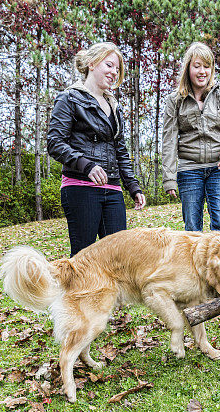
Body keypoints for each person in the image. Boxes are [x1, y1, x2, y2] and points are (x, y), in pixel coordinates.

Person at [47, 41, 146, 257]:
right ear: (92, 64)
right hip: (81, 187)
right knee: (84, 260)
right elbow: (55, 143)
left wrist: (133, 187)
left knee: (119, 259)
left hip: (112, 190)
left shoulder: (114, 106)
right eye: (109, 65)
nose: (114, 72)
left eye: (117, 69)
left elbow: (120, 150)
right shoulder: (69, 98)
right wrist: (87, 165)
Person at [161, 42, 220, 234]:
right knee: (192, 230)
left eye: (206, 66)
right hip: (189, 170)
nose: (202, 71)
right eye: (197, 66)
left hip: (219, 169)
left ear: (212, 69)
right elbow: (169, 140)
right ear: (188, 68)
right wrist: (169, 178)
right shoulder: (175, 100)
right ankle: (195, 265)